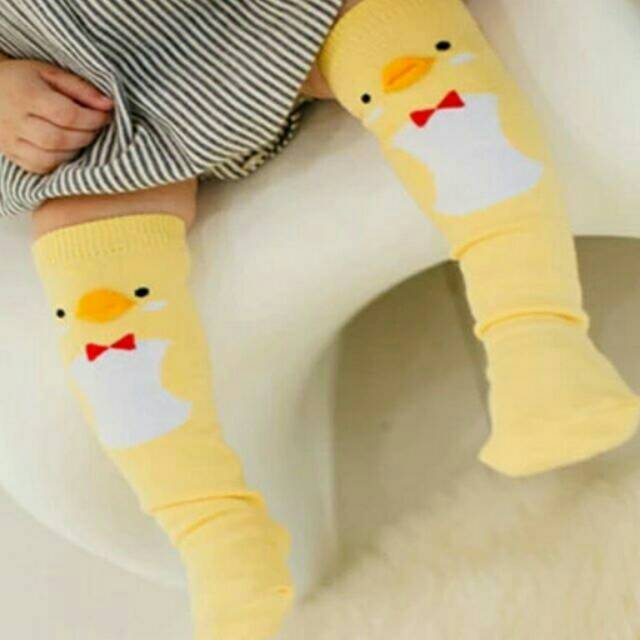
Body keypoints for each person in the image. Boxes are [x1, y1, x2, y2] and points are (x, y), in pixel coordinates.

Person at [0, 1, 637, 638]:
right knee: (101, 301)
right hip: (89, 96)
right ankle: (215, 534)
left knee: (416, 50)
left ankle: (537, 333)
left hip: (282, 15)